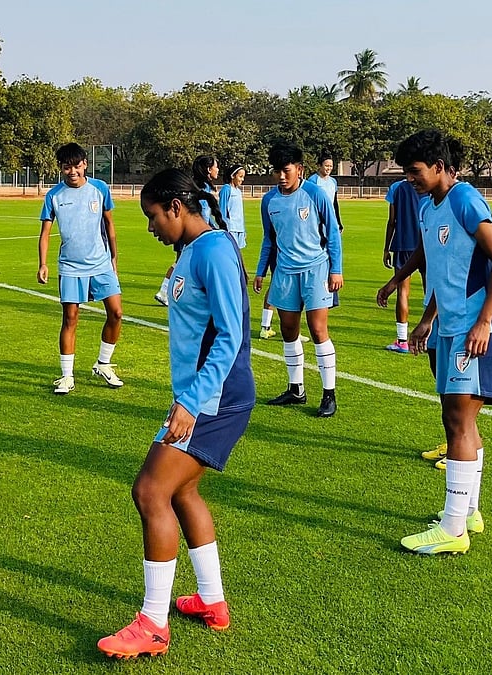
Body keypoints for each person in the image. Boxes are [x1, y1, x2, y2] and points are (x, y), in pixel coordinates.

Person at [97, 168, 254, 659]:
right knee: (182, 491)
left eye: (152, 217)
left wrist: (191, 401)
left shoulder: (214, 251)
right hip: (201, 396)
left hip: (217, 398)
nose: (150, 228)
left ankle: (153, 624)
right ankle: (212, 601)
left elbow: (229, 334)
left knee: (150, 491)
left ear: (176, 208)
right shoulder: (191, 251)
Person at [377, 130, 492, 555]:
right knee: (461, 422)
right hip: (449, 325)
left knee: (457, 421)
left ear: (440, 167)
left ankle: (453, 529)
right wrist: (424, 318)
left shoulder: (465, 199)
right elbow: (441, 265)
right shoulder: (427, 205)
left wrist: (485, 322)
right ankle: (467, 512)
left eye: (415, 171)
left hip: (475, 327)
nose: (410, 179)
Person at [254, 142, 343, 417]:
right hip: (285, 272)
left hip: (317, 269)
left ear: (299, 169)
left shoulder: (315, 194)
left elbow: (333, 233)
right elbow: (269, 239)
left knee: (317, 330)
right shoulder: (269, 201)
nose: (281, 176)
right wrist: (261, 271)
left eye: (286, 170)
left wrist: (336, 269)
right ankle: (296, 389)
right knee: (288, 330)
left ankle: (329, 394)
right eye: (277, 171)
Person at [38, 142, 124, 394]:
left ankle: (103, 364)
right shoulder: (54, 196)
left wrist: (114, 258)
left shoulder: (100, 189)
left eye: (76, 166)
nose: (72, 171)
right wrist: (43, 263)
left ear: (85, 164)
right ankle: (67, 376)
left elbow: (109, 225)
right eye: (67, 167)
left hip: (101, 263)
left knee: (116, 313)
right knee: (70, 318)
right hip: (70, 267)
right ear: (61, 168)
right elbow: (45, 233)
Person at [156, 155, 217, 306]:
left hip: (185, 232)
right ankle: (167, 291)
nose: (218, 170)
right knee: (185, 264)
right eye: (216, 167)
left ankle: (167, 291)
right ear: (208, 169)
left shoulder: (192, 185)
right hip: (193, 234)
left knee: (181, 262)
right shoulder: (203, 188)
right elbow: (202, 214)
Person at [382, 177, 425, 353]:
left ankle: (402, 340)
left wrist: (386, 248)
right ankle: (430, 337)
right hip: (425, 243)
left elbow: (392, 220)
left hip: (403, 244)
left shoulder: (396, 187)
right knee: (430, 292)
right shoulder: (428, 184)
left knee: (402, 292)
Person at [306, 152, 343, 231]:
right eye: (326, 166)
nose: (329, 168)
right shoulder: (313, 180)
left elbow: (335, 203)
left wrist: (338, 222)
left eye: (331, 166)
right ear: (320, 166)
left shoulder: (333, 181)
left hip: (330, 218)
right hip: (316, 220)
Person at [218, 164, 247, 249]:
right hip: (230, 228)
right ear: (232, 176)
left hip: (239, 228)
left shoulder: (238, 191)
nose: (242, 179)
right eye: (240, 176)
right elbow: (222, 210)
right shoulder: (226, 189)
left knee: (238, 252)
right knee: (230, 251)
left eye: (243, 177)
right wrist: (224, 227)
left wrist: (243, 229)